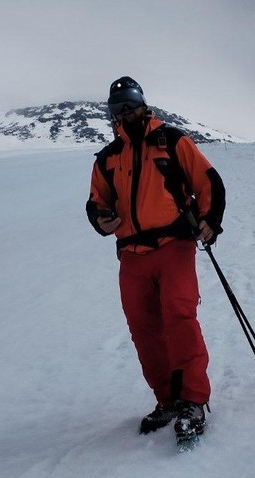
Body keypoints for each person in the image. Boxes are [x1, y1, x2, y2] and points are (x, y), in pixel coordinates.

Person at [85, 76, 226, 443]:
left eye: (130, 107)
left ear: (144, 106)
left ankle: (193, 400)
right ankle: (168, 399)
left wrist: (210, 221)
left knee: (180, 318)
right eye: (118, 110)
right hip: (131, 255)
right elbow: (96, 201)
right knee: (143, 329)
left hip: (173, 245)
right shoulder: (107, 158)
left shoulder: (172, 141)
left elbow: (208, 181)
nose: (125, 115)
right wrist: (102, 219)